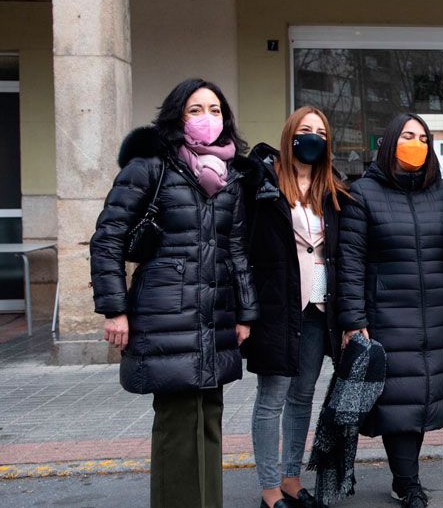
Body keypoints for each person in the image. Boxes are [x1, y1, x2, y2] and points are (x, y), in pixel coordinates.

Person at [91, 78, 258, 508]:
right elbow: (108, 239)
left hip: (215, 316)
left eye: (216, 110)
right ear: (177, 116)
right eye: (196, 109)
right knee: (177, 425)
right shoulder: (150, 166)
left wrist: (245, 313)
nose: (208, 118)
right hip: (165, 315)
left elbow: (236, 250)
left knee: (209, 420)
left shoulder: (230, 176)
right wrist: (114, 310)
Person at [337, 113, 443, 508]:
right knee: (399, 397)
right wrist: (354, 319)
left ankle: (405, 476)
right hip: (387, 315)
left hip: (436, 314)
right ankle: (406, 481)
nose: (416, 143)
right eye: (407, 136)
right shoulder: (362, 193)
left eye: (423, 137)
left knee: (425, 392)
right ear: (389, 143)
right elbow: (350, 262)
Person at [243, 106, 349, 508]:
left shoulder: (332, 188)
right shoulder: (265, 183)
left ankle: (290, 478)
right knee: (272, 398)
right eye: (305, 130)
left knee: (303, 395)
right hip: (277, 306)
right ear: (289, 135)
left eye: (320, 133)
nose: (312, 138)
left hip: (319, 307)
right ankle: (269, 490)